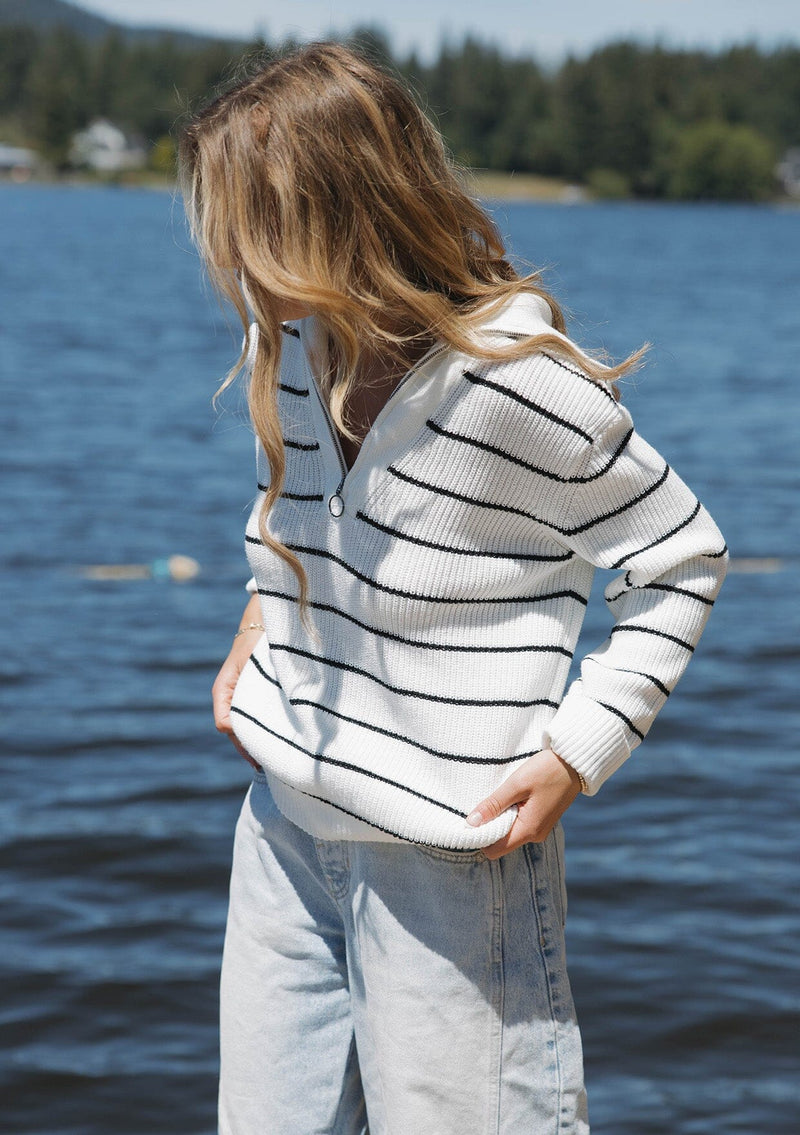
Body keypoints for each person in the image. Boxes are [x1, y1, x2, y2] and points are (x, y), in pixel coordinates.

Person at [179, 42, 727, 1135]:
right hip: (283, 826)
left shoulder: (516, 384)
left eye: (249, 229)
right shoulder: (288, 341)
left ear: (341, 214)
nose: (231, 264)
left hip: (452, 850)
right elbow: (284, 518)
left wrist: (577, 753)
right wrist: (257, 623)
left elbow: (678, 559)